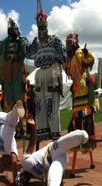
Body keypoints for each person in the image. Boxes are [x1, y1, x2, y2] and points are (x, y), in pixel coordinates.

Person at [15, 117, 102, 186]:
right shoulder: (38, 177)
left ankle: (88, 138)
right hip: (60, 160)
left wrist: (33, 127)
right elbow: (54, 179)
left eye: (22, 179)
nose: (25, 180)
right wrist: (59, 180)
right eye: (25, 183)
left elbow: (31, 144)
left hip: (53, 150)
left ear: (20, 173)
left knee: (78, 135)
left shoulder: (25, 162)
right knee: (53, 179)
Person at [22, 4, 66, 147]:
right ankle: (39, 140)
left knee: (52, 107)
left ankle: (56, 141)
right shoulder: (35, 42)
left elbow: (63, 55)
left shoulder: (55, 39)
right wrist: (23, 42)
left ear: (47, 27)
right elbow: (29, 54)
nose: (41, 31)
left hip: (52, 72)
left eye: (43, 28)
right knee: (40, 107)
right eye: (39, 28)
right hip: (40, 74)